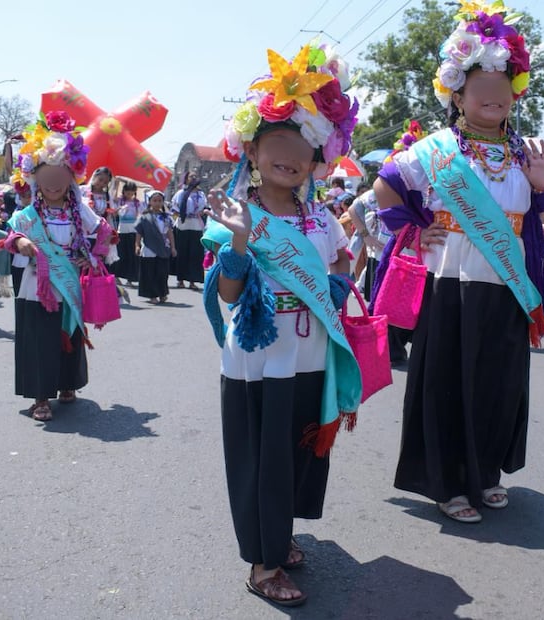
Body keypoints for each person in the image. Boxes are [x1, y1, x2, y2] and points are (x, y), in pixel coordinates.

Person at [374, 3, 544, 523]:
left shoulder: (524, 150)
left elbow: (537, 208)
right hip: (450, 282)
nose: (494, 94)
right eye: (482, 84)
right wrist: (412, 229)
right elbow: (383, 186)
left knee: (499, 383)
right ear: (457, 93)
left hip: (507, 285)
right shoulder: (434, 150)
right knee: (447, 384)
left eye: (503, 83)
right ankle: (448, 483)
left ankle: (486, 474)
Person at [205, 40, 360, 606]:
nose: (289, 157)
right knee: (261, 456)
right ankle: (262, 562)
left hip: (312, 351)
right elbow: (227, 293)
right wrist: (240, 244)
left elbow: (342, 262)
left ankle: (283, 534)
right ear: (252, 151)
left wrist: (338, 283)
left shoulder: (320, 216)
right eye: (278, 144)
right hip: (259, 356)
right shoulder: (235, 215)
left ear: (318, 161)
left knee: (297, 450)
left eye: (302, 148)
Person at [3, 112, 114, 421]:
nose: (53, 183)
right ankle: (41, 398)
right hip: (37, 288)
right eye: (46, 177)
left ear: (69, 178)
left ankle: (67, 385)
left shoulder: (80, 210)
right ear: (36, 178)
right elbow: (12, 238)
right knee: (39, 340)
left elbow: (105, 232)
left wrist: (93, 258)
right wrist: (21, 243)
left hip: (69, 284)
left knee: (69, 337)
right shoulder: (27, 214)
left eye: (59, 177)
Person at [134, 189, 175, 303]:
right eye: (155, 200)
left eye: (160, 200)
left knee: (162, 272)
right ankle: (152, 295)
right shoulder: (144, 217)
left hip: (163, 248)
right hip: (149, 248)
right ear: (150, 202)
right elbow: (139, 233)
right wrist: (137, 246)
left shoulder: (166, 217)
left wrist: (173, 247)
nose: (157, 203)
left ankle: (162, 293)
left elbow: (170, 233)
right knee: (150, 272)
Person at [170, 171, 207, 290]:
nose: (194, 178)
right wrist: (181, 214)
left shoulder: (201, 194)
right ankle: (180, 279)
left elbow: (205, 207)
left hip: (196, 226)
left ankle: (193, 280)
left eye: (195, 176)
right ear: (185, 179)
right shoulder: (181, 193)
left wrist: (202, 212)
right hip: (183, 226)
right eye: (191, 176)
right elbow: (174, 208)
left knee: (195, 254)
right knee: (182, 253)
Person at [114, 180, 146, 286]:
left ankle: (130, 279)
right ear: (123, 192)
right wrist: (117, 183)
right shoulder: (120, 202)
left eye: (132, 192)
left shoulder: (138, 203)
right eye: (127, 192)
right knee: (121, 254)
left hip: (133, 231)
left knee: (132, 256)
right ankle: (117, 276)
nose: (129, 195)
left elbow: (142, 215)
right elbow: (113, 203)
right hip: (122, 231)